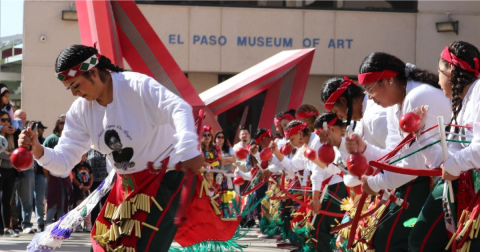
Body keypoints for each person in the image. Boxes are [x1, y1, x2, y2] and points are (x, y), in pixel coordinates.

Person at [19, 44, 203, 252]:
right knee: (103, 248)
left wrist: (188, 148)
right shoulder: (80, 111)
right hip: (124, 185)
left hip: (164, 178)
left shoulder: (137, 86)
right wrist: (37, 150)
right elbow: (63, 162)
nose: (74, 93)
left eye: (76, 85)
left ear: (93, 73)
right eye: (69, 88)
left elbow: (179, 108)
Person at [345, 52, 451, 251]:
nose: (369, 97)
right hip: (437, 177)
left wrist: (376, 184)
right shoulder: (397, 104)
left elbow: (413, 164)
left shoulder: (416, 96)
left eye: (370, 89)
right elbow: (395, 155)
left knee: (417, 242)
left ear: (389, 81)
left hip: (448, 179)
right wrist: (365, 149)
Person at [420, 41, 480, 251]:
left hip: (474, 192)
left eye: (439, 71)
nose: (438, 79)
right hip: (468, 193)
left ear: (451, 70)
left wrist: (453, 166)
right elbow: (445, 161)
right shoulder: (464, 103)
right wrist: (420, 133)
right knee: (422, 241)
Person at [271, 120, 345, 252]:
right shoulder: (304, 147)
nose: (291, 143)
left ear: (300, 133)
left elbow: (318, 172)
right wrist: (277, 153)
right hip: (326, 188)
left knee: (318, 228)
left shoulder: (316, 142)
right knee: (315, 228)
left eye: (292, 139)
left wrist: (315, 199)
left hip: (336, 186)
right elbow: (293, 166)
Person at [44, 115, 72, 226]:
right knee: (52, 202)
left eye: (65, 123)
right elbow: (44, 159)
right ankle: (48, 224)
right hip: (53, 178)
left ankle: (61, 225)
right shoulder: (51, 139)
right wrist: (49, 176)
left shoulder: (71, 139)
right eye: (61, 123)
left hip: (65, 178)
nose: (63, 125)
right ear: (57, 125)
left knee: (64, 202)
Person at [0, 111, 19, 237]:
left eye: (8, 120)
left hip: (11, 170)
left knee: (7, 199)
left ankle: (7, 227)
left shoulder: (14, 134)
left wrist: (9, 154)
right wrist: (10, 155)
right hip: (1, 169)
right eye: (3, 120)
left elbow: (18, 152)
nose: (7, 122)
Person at [72, 153, 94, 232]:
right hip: (78, 190)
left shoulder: (88, 166)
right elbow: (73, 177)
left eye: (84, 156)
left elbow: (91, 176)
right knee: (79, 207)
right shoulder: (75, 165)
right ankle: (77, 225)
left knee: (88, 207)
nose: (83, 157)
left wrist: (89, 186)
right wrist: (80, 186)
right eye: (81, 155)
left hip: (87, 189)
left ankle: (88, 225)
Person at [86, 148, 108, 223]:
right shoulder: (89, 150)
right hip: (93, 182)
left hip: (106, 181)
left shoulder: (106, 149)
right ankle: (94, 225)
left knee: (105, 205)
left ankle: (105, 225)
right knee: (94, 205)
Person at [33, 121, 48, 232]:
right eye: (41, 128)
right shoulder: (29, 141)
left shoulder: (44, 141)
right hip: (28, 173)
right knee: (28, 200)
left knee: (39, 199)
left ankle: (40, 222)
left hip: (40, 174)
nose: (42, 131)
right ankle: (25, 223)